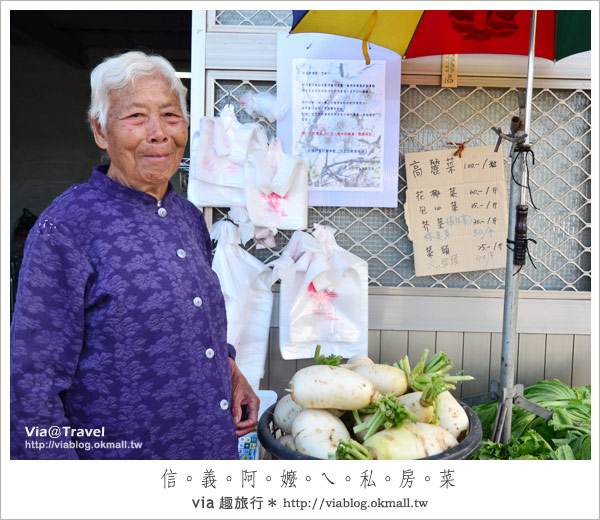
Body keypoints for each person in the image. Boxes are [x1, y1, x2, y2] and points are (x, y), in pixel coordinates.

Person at [10, 51, 260, 459]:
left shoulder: (188, 217)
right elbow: (31, 387)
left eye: (170, 115)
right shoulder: (67, 228)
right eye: (136, 117)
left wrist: (230, 372)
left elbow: (191, 319)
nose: (158, 133)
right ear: (100, 130)